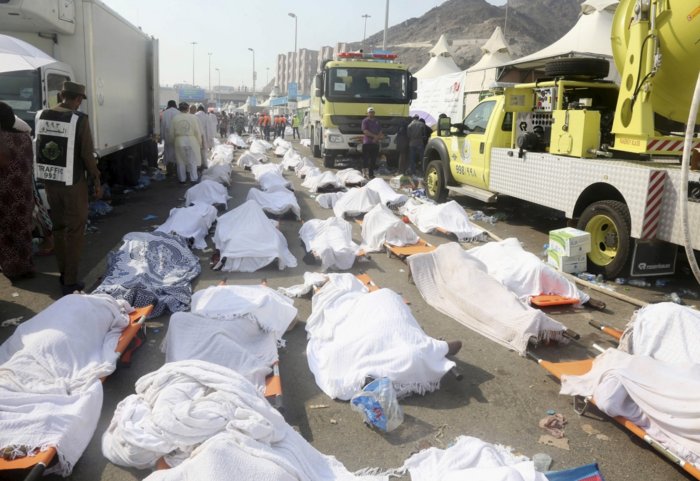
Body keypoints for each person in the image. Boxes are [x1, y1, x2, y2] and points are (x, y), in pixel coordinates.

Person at [34, 82, 102, 295]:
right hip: (73, 184)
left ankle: (64, 273)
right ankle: (70, 280)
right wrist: (96, 179)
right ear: (78, 99)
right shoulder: (79, 119)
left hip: (50, 182)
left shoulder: (41, 115)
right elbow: (86, 154)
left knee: (60, 228)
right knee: (75, 230)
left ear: (61, 95)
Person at [0, 102, 36, 282]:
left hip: (4, 194)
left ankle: (12, 268)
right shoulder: (24, 138)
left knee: (6, 232)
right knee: (23, 229)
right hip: (24, 192)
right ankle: (26, 267)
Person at [169, 102, 203, 184]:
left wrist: (173, 142)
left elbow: (171, 133)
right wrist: (199, 142)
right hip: (192, 141)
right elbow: (197, 132)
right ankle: (193, 178)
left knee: (180, 161)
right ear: (188, 109)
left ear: (179, 109)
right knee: (192, 161)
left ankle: (182, 179)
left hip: (179, 141)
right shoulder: (193, 118)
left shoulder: (175, 118)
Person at [361, 106, 384, 179]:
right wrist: (375, 136)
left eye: (372, 112)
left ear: (374, 113)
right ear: (367, 113)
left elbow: (380, 131)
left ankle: (371, 174)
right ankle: (365, 173)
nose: (371, 114)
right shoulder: (365, 121)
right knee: (366, 159)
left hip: (375, 143)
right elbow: (365, 131)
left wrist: (378, 137)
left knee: (373, 159)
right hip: (367, 143)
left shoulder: (377, 121)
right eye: (370, 112)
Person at [160, 100, 179, 177]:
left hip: (167, 136)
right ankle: (177, 170)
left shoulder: (164, 113)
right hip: (177, 136)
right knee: (177, 153)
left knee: (168, 153)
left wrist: (161, 137)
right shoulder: (178, 113)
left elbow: (162, 126)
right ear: (175, 105)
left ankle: (169, 171)